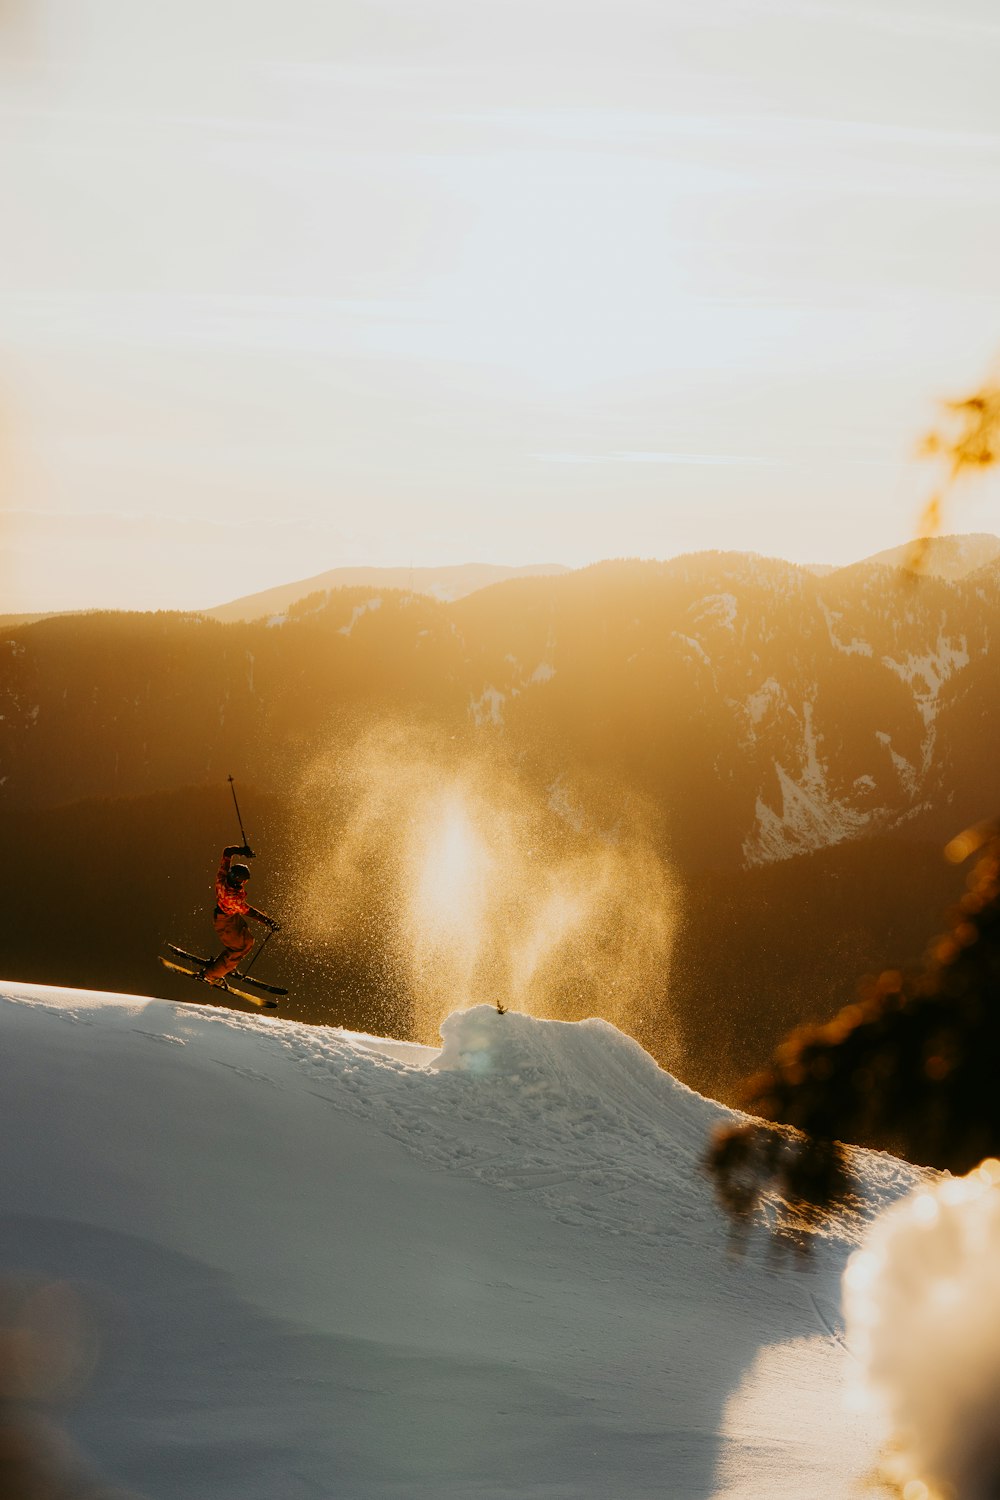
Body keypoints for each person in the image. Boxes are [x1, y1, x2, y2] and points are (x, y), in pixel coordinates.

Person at [201, 845, 280, 986]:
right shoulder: (232, 897)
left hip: (228, 916)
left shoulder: (223, 877)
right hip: (224, 921)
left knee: (248, 940)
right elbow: (249, 911)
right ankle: (210, 975)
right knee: (239, 948)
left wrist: (242, 850)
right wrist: (269, 922)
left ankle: (225, 964)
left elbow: (227, 852)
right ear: (240, 881)